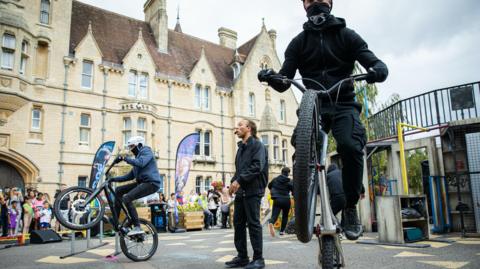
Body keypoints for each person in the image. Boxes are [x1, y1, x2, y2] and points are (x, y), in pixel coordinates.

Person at [258, 0, 388, 240]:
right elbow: (285, 78)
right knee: (302, 145)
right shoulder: (298, 43)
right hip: (314, 103)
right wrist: (271, 77)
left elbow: (370, 59)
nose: (316, 2)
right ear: (304, 5)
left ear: (330, 2)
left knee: (350, 145)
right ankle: (304, 206)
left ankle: (349, 207)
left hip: (343, 102)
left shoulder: (347, 35)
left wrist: (378, 68)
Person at [226, 119, 268, 269]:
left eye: (240, 125)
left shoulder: (258, 145)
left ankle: (258, 259)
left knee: (254, 223)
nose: (236, 128)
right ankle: (242, 257)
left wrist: (239, 181)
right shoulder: (241, 149)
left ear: (248, 128)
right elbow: (240, 171)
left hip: (253, 190)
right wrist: (231, 184)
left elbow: (257, 166)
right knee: (238, 224)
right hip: (242, 191)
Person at [110, 136, 162, 236]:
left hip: (151, 183)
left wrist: (125, 158)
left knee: (127, 198)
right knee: (118, 190)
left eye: (132, 146)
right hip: (142, 183)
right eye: (129, 147)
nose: (131, 149)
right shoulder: (137, 159)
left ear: (139, 145)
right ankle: (116, 219)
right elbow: (128, 177)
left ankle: (137, 226)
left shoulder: (146, 151)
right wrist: (113, 179)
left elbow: (141, 163)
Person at [267, 167, 293, 237]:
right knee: (285, 216)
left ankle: (271, 222)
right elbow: (293, 189)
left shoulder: (275, 179)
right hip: (286, 200)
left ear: (281, 172)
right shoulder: (289, 181)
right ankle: (282, 231)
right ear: (288, 173)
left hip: (277, 199)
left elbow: (269, 186)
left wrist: (273, 189)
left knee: (274, 215)